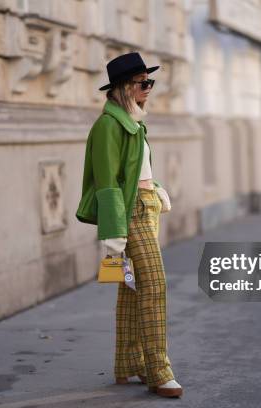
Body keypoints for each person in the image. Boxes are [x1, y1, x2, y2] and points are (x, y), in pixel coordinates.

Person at [75, 52, 182, 398]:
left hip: (146, 206)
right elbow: (107, 183)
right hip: (129, 212)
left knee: (132, 286)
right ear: (123, 88)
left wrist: (158, 188)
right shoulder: (108, 126)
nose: (148, 88)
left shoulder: (133, 122)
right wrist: (113, 234)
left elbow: (138, 171)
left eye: (149, 82)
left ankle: (129, 361)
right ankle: (158, 369)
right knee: (154, 284)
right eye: (142, 83)